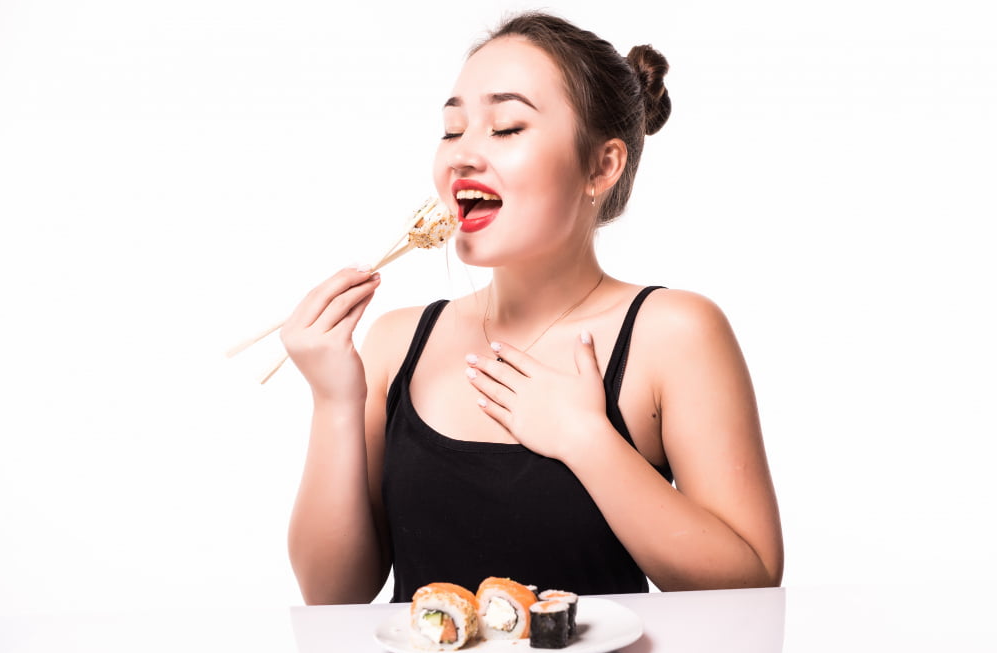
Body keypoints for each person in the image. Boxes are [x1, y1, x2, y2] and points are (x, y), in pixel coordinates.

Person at [281, 11, 783, 604]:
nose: (462, 156)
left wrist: (586, 438)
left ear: (602, 165)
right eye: (452, 130)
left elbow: (752, 579)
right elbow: (331, 596)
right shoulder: (396, 343)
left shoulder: (674, 332)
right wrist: (334, 401)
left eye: (507, 127)